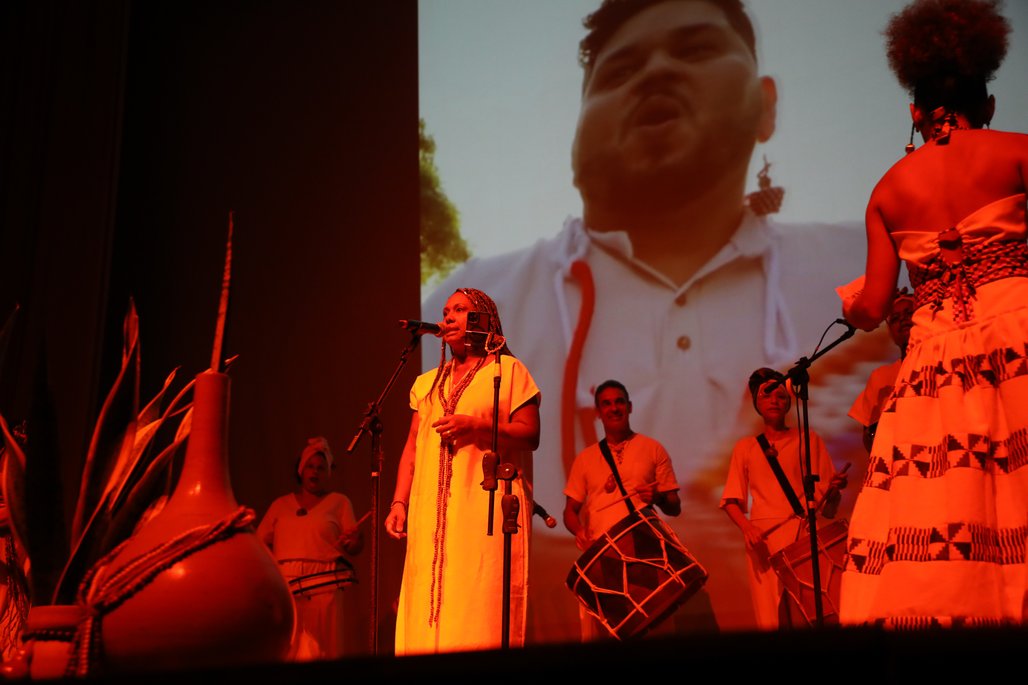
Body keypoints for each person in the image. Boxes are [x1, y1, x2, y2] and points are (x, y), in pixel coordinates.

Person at [840, 0, 1028, 627]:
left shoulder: (889, 189)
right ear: (989, 104)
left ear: (915, 112)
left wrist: (853, 303)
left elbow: (871, 307)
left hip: (936, 365)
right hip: (1019, 338)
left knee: (952, 510)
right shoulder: (1018, 152)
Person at [385, 287, 541, 654]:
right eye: (445, 310)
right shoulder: (426, 383)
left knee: (478, 601)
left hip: (483, 510)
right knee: (427, 601)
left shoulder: (510, 371)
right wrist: (399, 502)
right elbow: (412, 446)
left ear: (484, 320)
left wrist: (476, 426)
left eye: (460, 310)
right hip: (429, 515)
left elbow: (530, 435)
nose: (449, 316)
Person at [721, 367, 848, 629]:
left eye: (780, 396)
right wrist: (747, 528)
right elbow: (731, 500)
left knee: (810, 608)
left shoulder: (808, 439)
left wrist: (834, 488)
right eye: (767, 396)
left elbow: (826, 506)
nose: (774, 401)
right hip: (763, 540)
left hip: (802, 533)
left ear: (789, 402)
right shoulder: (745, 447)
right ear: (757, 402)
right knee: (769, 613)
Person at [563, 379, 682, 641]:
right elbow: (570, 511)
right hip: (604, 556)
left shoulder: (653, 448)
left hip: (646, 553)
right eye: (606, 404)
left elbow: (675, 507)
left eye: (619, 402)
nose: (614, 408)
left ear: (629, 406)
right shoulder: (585, 459)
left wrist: (659, 497)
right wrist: (580, 531)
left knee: (654, 626)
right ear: (598, 412)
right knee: (608, 633)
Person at [257, 437, 363, 660]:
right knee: (291, 646)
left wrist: (352, 540)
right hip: (288, 584)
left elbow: (354, 546)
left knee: (324, 646)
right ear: (300, 470)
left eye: (321, 468)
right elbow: (258, 543)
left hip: (324, 584)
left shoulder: (339, 502)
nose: (315, 472)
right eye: (310, 467)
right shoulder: (280, 505)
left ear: (328, 472)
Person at [847, 288, 914, 453]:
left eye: (909, 313)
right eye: (895, 318)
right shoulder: (881, 376)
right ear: (890, 330)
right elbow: (869, 434)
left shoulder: (939, 364)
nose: (903, 320)